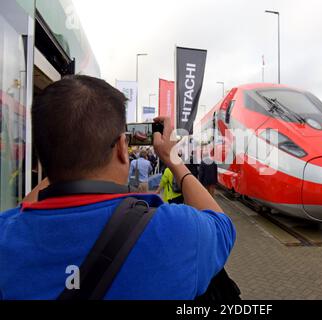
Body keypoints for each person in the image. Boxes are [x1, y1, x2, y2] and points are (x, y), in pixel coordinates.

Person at [0, 75, 235, 300]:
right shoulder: (176, 229)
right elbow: (223, 228)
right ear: (123, 148)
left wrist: (64, 156)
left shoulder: (7, 235)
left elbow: (23, 213)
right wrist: (172, 158)